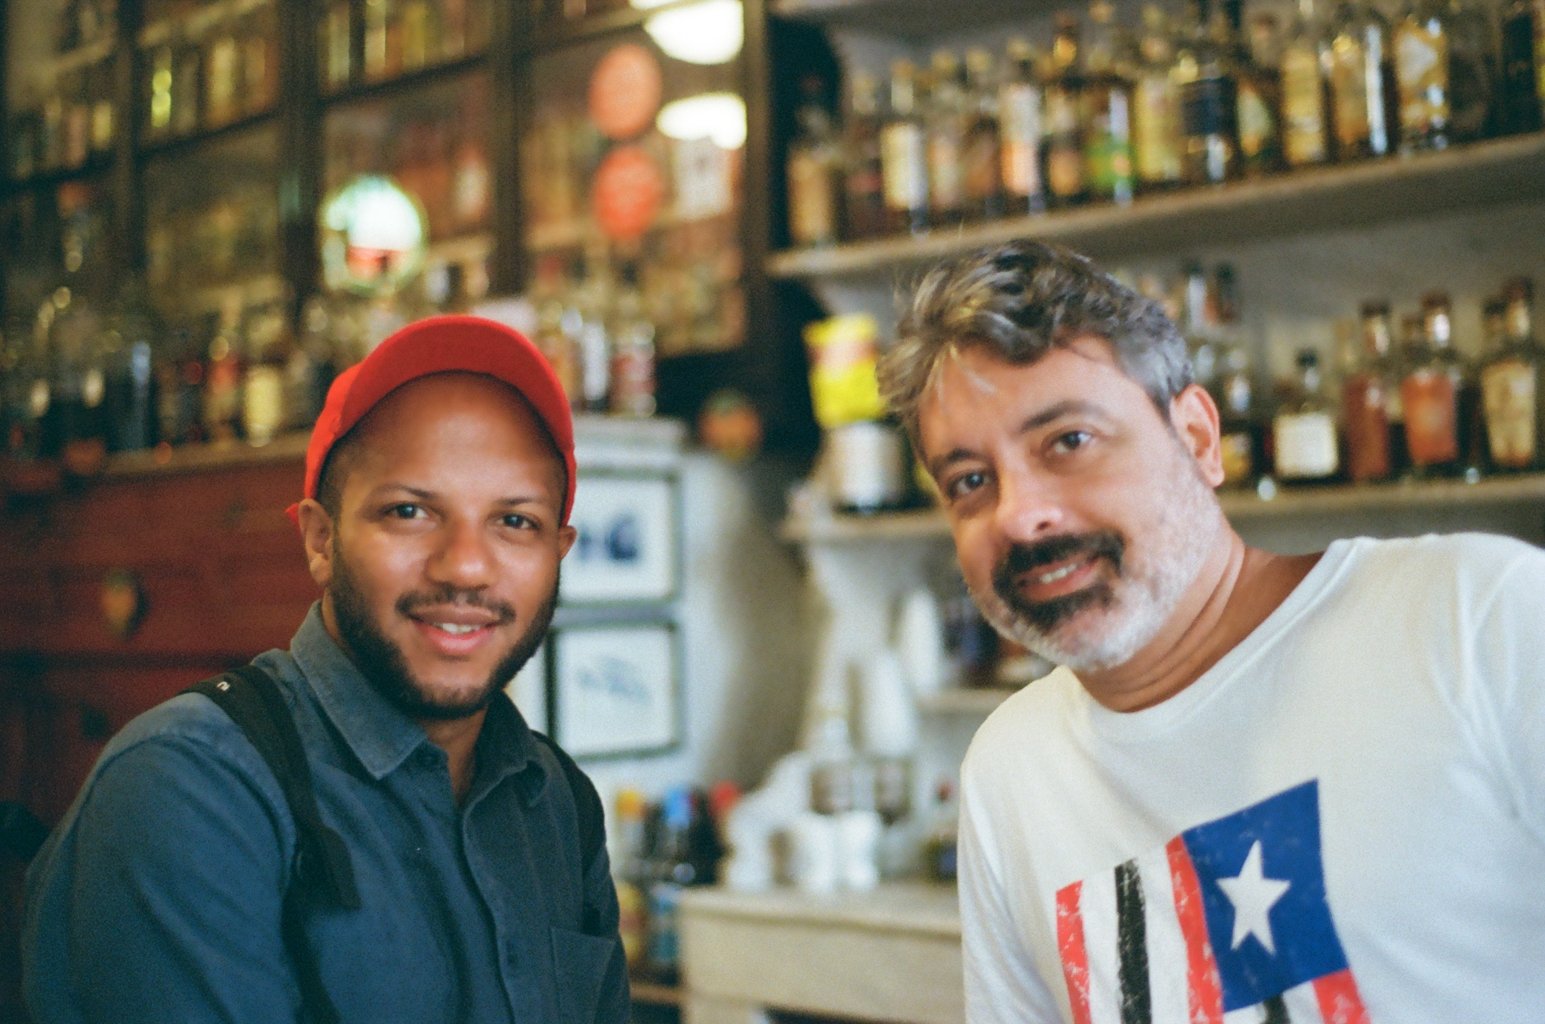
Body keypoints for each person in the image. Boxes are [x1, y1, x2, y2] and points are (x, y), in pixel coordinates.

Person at [877, 240, 1545, 1023]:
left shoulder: (1477, 616)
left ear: (1196, 438)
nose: (1020, 514)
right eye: (970, 481)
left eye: (1067, 441)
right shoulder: (1009, 769)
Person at [23, 315, 629, 1023]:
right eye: (409, 511)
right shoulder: (191, 786)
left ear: (559, 550)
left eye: (515, 522)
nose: (465, 564)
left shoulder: (554, 800)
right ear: (319, 539)